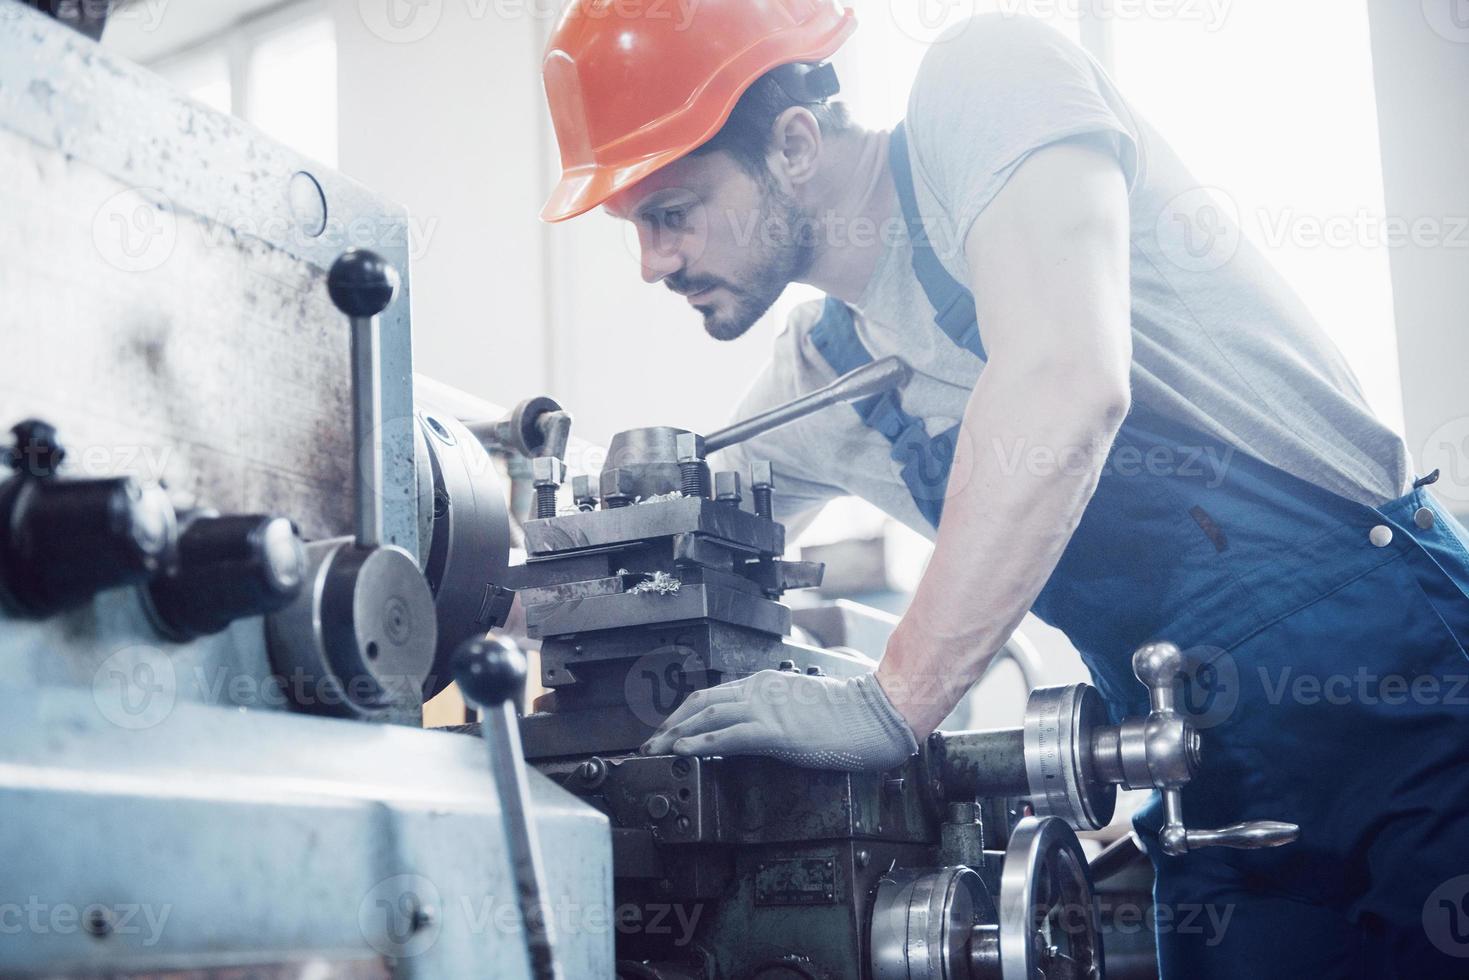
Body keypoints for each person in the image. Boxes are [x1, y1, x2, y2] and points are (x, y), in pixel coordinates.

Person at [538, 2, 1469, 976]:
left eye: (669, 213)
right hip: (1204, 788)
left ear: (794, 142)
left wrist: (894, 697)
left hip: (1389, 691)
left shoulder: (986, 85)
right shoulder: (820, 381)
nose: (651, 263)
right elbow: (644, 548)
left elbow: (1064, 378)